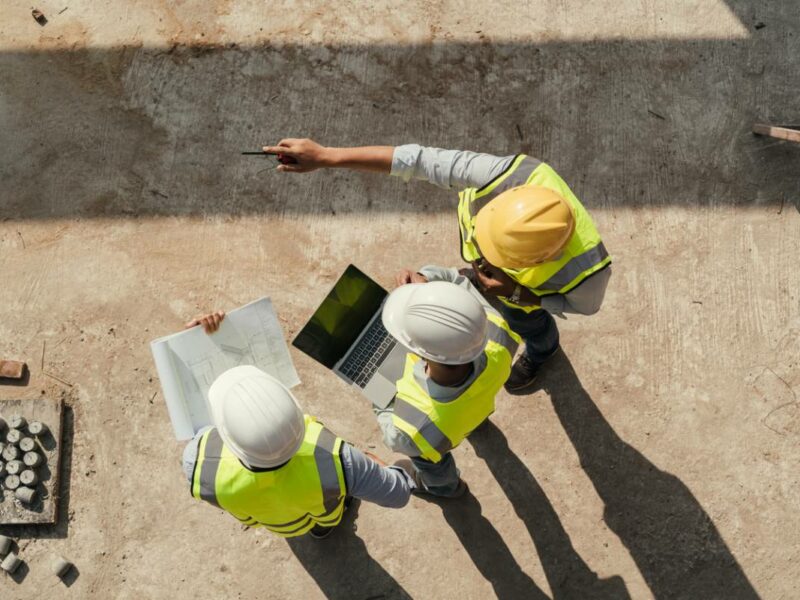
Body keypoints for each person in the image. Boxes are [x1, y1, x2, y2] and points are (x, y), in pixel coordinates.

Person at [262, 139, 612, 392]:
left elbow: (584, 308)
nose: (479, 259)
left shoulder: (588, 274)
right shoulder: (506, 174)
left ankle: (543, 350)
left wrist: (522, 295)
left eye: (493, 256)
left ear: (538, 259)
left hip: (521, 298)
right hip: (507, 285)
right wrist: (326, 156)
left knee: (531, 326)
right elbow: (417, 160)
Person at [181, 311, 416, 539]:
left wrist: (196, 344)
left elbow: (198, 421)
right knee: (326, 516)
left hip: (276, 523)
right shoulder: (340, 460)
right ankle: (323, 528)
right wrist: (373, 466)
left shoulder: (197, 463)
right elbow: (398, 493)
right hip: (324, 511)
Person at [374, 270, 521, 497]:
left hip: (439, 434)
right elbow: (457, 282)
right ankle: (476, 425)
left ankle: (446, 488)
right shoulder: (499, 335)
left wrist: (378, 393)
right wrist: (427, 285)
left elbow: (394, 437)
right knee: (470, 411)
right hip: (473, 408)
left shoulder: (412, 430)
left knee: (430, 462)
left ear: (415, 350)